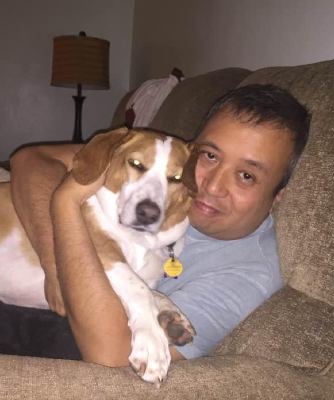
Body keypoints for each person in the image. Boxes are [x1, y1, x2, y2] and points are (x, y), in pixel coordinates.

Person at [8, 84, 310, 365]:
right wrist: (54, 260)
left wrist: (65, 201)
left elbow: (111, 355)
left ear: (277, 196)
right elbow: (30, 160)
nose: (212, 186)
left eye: (247, 176)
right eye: (210, 156)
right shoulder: (162, 156)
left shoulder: (248, 274)